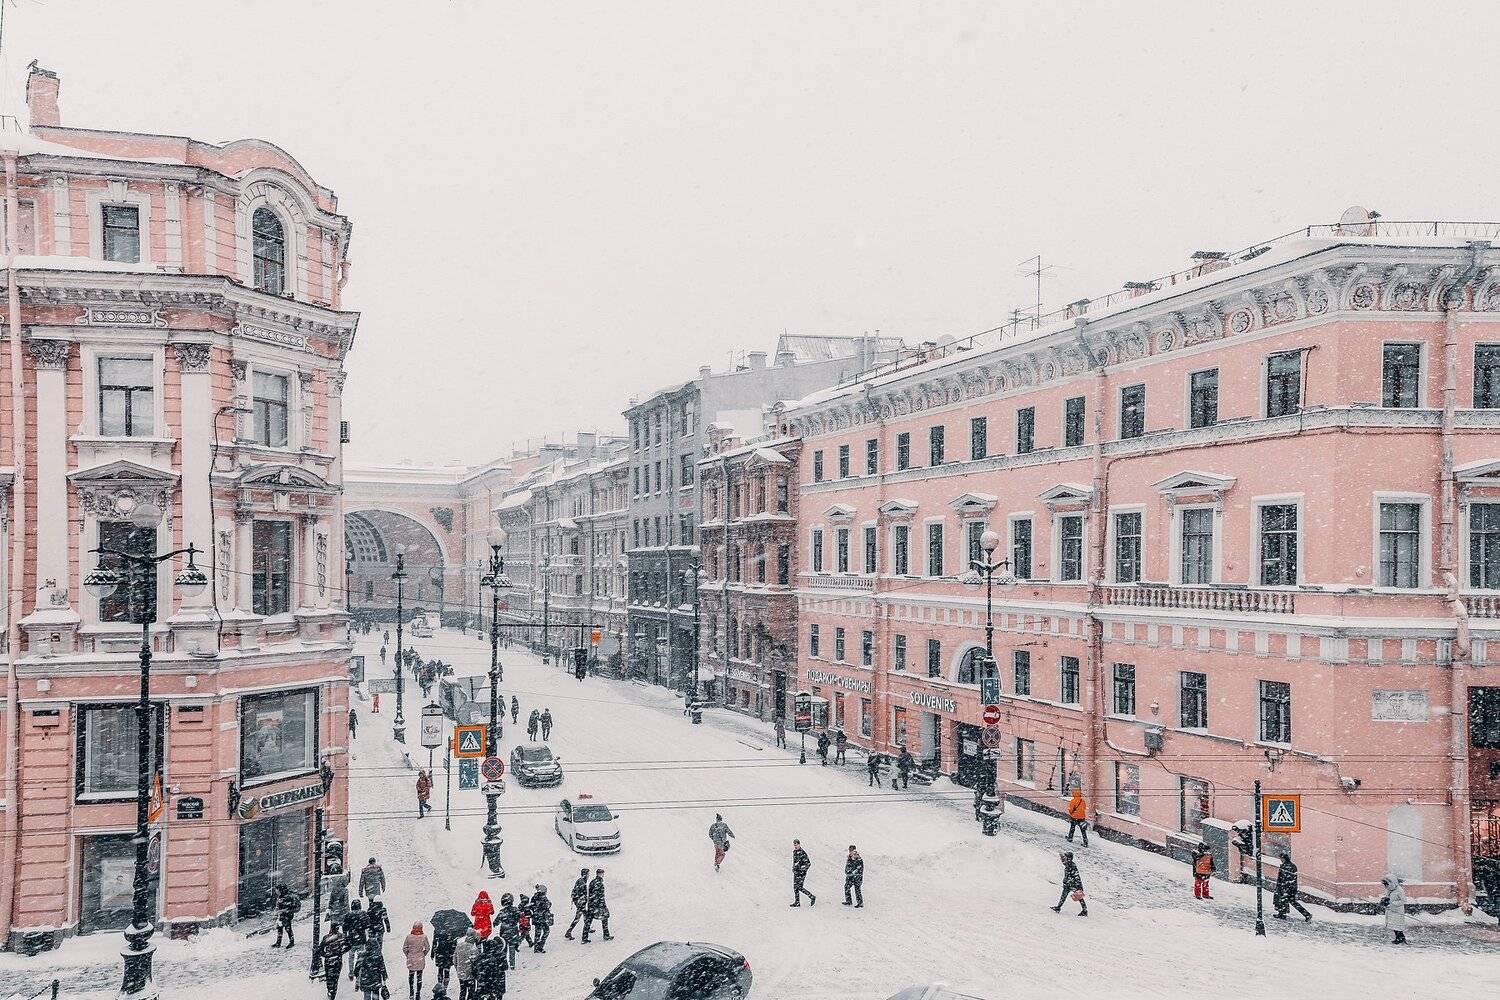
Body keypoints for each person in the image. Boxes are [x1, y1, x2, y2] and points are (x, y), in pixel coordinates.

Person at [1274, 851, 1312, 921]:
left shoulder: (1285, 866)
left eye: (1281, 858)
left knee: (1284, 900)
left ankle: (1282, 914)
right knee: (1291, 901)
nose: (1280, 860)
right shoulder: (1292, 866)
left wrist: (1282, 887)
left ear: (1283, 858)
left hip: (1286, 887)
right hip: (1291, 887)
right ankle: (1306, 914)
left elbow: (1283, 878)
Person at [1051, 850, 1088, 916]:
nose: (1064, 858)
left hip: (1074, 885)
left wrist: (1078, 886)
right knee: (1063, 896)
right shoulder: (1068, 864)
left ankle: (1084, 911)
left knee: (1079, 897)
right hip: (1068, 884)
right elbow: (1063, 861)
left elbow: (1076, 876)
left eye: (1066, 857)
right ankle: (1058, 907)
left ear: (1069, 858)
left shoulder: (1072, 865)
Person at [342, 900, 369, 983]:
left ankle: (351, 972)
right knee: (360, 957)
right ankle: (359, 974)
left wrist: (346, 936)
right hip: (361, 939)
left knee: (351, 957)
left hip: (352, 940)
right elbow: (367, 925)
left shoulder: (348, 915)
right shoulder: (363, 914)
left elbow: (345, 928)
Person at [581, 868, 611, 943]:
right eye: (602, 873)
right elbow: (598, 896)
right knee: (605, 919)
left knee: (588, 921)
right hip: (598, 905)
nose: (603, 875)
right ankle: (606, 935)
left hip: (591, 905)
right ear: (600, 874)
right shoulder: (599, 883)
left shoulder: (592, 882)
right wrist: (601, 905)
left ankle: (584, 938)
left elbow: (591, 894)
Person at [319, 924, 347, 1000]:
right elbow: (349, 945)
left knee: (329, 978)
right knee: (335, 979)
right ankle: (333, 993)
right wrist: (342, 952)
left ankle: (330, 991)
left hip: (328, 961)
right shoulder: (342, 936)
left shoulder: (326, 937)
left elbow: (320, 949)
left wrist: (325, 955)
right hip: (337, 960)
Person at [494, 893, 522, 969]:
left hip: (504, 931)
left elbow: (496, 922)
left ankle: (504, 963)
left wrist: (496, 923)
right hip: (513, 931)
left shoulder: (502, 911)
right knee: (512, 948)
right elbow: (521, 917)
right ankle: (512, 964)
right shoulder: (516, 910)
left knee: (504, 948)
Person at [431, 919, 459, 993]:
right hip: (448, 953)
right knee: (447, 971)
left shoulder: (438, 929)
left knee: (440, 970)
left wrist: (432, 953)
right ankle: (445, 989)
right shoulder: (453, 930)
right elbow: (455, 944)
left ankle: (440, 986)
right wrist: (454, 953)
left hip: (440, 952)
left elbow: (434, 942)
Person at [404, 922, 430, 1000]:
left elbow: (404, 948)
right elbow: (427, 948)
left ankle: (411, 992)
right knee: (419, 977)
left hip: (411, 959)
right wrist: (423, 954)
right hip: (420, 959)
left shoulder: (409, 937)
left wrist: (408, 954)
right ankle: (418, 993)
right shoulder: (424, 937)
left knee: (411, 976)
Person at [1379, 875, 1408, 944]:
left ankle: (1401, 938)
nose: (1385, 886)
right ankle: (1398, 938)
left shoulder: (1399, 890)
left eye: (1387, 884)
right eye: (1384, 884)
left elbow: (1403, 900)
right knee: (1394, 925)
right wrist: (1384, 900)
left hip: (1397, 911)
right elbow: (1388, 897)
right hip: (1391, 910)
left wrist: (1392, 903)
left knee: (1397, 925)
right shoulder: (1388, 889)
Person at [453, 929, 481, 1000]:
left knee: (462, 991)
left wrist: (458, 968)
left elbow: (454, 959)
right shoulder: (474, 949)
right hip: (470, 974)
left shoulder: (459, 945)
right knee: (471, 991)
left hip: (460, 973)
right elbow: (475, 963)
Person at [564, 868, 589, 940]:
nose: (588, 875)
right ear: (585, 874)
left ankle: (588, 927)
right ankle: (568, 932)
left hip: (579, 901)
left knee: (585, 915)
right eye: (588, 874)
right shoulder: (582, 882)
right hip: (580, 902)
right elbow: (580, 893)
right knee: (578, 917)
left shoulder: (581, 880)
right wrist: (582, 902)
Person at [791, 840, 816, 907]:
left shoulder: (803, 853)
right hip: (796, 873)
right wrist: (794, 868)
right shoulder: (794, 852)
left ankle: (812, 897)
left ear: (799, 844)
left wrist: (801, 869)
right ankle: (797, 902)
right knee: (795, 888)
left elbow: (808, 863)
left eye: (796, 845)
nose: (795, 846)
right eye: (794, 845)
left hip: (801, 874)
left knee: (799, 887)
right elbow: (795, 862)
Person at [529, 884, 553, 953]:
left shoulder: (534, 897)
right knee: (546, 931)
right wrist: (549, 904)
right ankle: (540, 946)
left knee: (537, 933)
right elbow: (547, 905)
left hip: (536, 918)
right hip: (542, 918)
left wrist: (536, 911)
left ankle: (536, 948)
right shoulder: (543, 897)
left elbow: (531, 906)